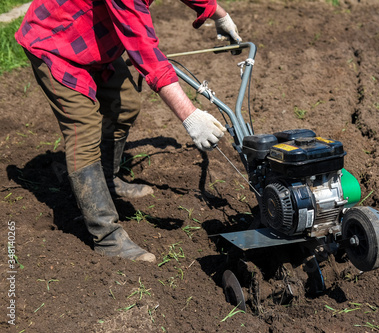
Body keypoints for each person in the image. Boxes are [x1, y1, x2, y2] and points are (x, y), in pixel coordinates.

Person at [15, 0, 242, 263]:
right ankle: (107, 237)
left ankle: (108, 180)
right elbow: (145, 51)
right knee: (83, 130)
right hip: (55, 41)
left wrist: (218, 14)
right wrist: (189, 115)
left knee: (126, 105)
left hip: (97, 38)